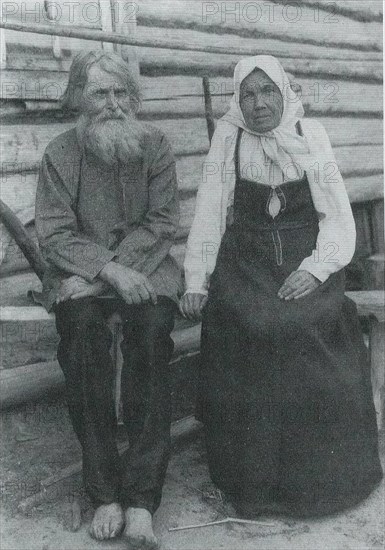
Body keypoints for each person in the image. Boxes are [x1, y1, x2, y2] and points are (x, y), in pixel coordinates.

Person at [179, 55, 382, 518]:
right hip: (245, 262)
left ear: (284, 92)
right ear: (238, 101)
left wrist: (316, 268)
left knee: (310, 323)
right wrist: (196, 277)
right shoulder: (228, 140)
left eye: (267, 91)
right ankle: (253, 482)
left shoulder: (311, 136)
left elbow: (337, 214)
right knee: (249, 324)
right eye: (248, 95)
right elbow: (210, 211)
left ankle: (325, 480)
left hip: (306, 258)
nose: (259, 103)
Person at [35, 50, 182, 548]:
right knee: (83, 341)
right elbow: (54, 235)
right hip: (85, 275)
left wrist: (116, 273)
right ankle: (104, 494)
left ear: (133, 97)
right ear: (80, 97)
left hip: (146, 272)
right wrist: (108, 270)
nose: (113, 104)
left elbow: (163, 222)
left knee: (150, 337)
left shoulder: (156, 145)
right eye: (100, 92)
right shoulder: (60, 154)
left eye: (121, 92)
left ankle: (141, 499)